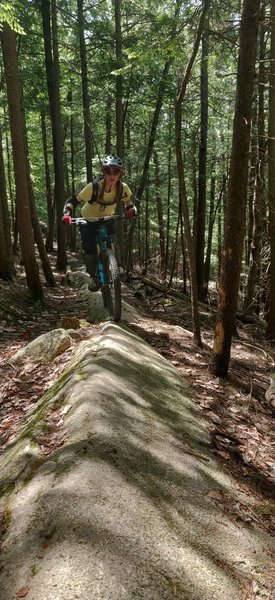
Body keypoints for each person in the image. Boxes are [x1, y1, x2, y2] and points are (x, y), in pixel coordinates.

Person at [63, 154, 137, 290]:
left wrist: (131, 209)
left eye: (116, 171)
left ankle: (118, 268)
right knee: (89, 248)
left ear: (121, 173)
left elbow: (128, 202)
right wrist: (67, 214)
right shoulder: (93, 187)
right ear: (104, 172)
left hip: (107, 218)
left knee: (113, 240)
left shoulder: (122, 188)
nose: (112, 175)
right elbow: (74, 200)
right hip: (88, 218)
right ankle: (93, 277)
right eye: (108, 171)